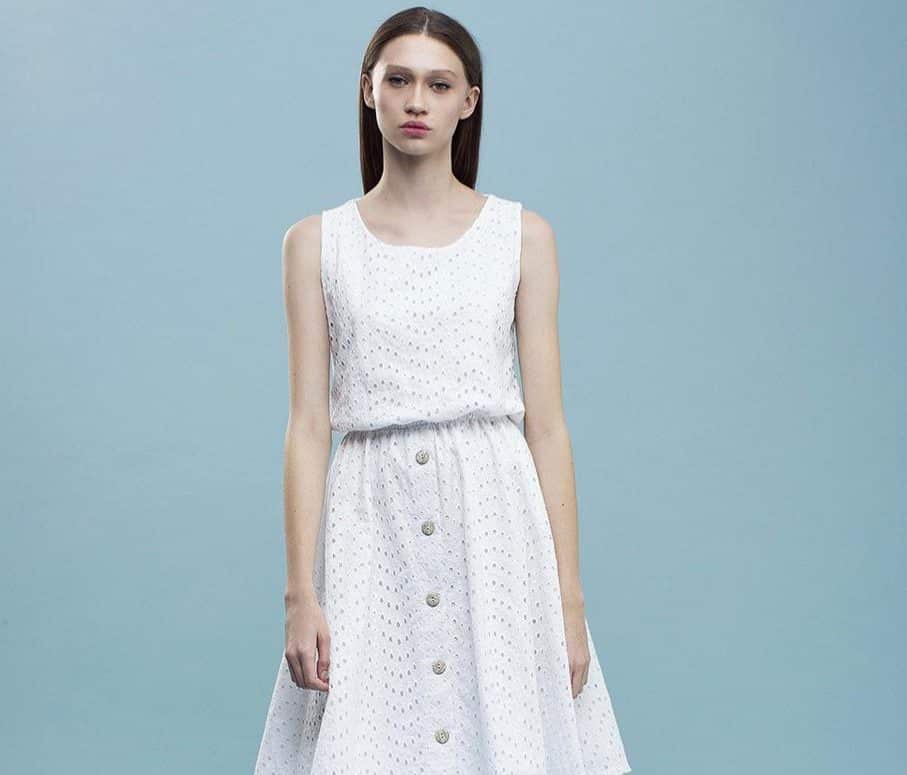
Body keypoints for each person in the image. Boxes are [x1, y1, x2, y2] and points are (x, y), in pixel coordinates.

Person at [254, 7, 631, 774]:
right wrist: (300, 594)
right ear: (368, 90)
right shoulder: (314, 244)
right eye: (398, 80)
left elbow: (547, 425)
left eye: (438, 84)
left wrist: (568, 598)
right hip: (370, 522)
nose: (416, 101)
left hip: (493, 524)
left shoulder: (522, 237)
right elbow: (308, 425)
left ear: (469, 100)